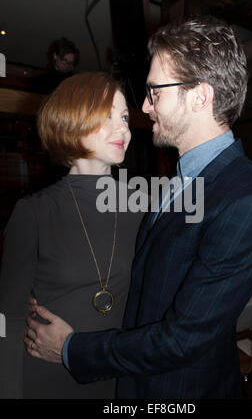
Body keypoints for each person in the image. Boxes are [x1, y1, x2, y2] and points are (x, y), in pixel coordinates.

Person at [24, 17, 252, 399]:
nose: (145, 107)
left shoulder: (250, 201)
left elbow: (181, 340)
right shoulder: (178, 177)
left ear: (200, 96)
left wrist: (69, 347)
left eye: (155, 92)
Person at [0, 72, 144, 398]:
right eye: (107, 116)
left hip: (117, 371)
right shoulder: (34, 212)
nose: (123, 128)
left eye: (124, 117)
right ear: (74, 120)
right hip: (48, 375)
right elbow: (9, 319)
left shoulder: (145, 205)